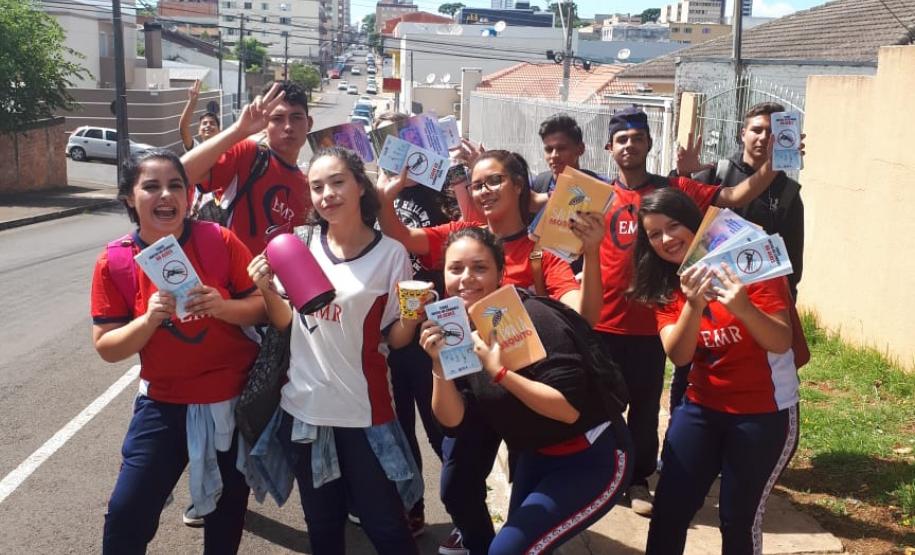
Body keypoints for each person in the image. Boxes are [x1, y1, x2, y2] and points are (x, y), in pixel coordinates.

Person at [377, 149, 605, 555]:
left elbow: (579, 317)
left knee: (528, 505)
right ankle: (482, 541)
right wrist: (384, 197)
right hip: (474, 385)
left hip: (525, 385)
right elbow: (402, 235)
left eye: (494, 180)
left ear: (519, 185)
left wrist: (591, 254)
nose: (484, 191)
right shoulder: (461, 238)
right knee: (457, 487)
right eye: (477, 183)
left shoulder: (541, 251)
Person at [596, 107, 799, 516]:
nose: (630, 145)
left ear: (650, 144)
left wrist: (773, 167)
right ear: (609, 148)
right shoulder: (596, 192)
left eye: (637, 137)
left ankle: (637, 479)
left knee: (647, 403)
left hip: (653, 324)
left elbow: (736, 197)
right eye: (622, 138)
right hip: (603, 322)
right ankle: (601, 477)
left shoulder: (678, 189)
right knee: (600, 405)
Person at [247, 147, 420, 555]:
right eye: (317, 187)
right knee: (322, 528)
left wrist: (414, 311)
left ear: (360, 185)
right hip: (304, 410)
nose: (328, 194)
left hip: (365, 413)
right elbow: (288, 321)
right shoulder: (298, 245)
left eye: (338, 181)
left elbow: (396, 339)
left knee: (386, 526)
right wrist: (264, 289)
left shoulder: (391, 254)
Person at [91, 150, 266, 553]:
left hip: (231, 401)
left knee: (226, 516)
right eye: (151, 186)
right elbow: (107, 347)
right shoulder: (115, 260)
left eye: (176, 185)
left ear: (189, 196)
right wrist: (147, 321)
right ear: (129, 199)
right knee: (127, 512)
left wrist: (223, 307)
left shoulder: (218, 239)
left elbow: (261, 307)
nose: (165, 195)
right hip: (163, 404)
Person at [419, 227, 632, 554]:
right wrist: (438, 366)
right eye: (455, 268)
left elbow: (567, 409)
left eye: (480, 268)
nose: (467, 278)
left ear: (500, 274)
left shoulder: (533, 316)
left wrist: (500, 373)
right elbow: (453, 421)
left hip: (593, 456)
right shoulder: (456, 332)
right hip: (537, 455)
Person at [629, 188, 799, 554]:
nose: (666, 239)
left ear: (695, 224)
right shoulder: (663, 282)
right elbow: (679, 354)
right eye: (654, 234)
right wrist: (692, 304)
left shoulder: (748, 264)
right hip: (702, 406)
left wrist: (743, 308)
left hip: (763, 413)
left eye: (674, 226)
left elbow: (780, 340)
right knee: (670, 510)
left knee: (738, 520)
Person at [370, 111, 459, 536]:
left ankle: (464, 508)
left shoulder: (443, 194)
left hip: (431, 325)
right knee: (397, 426)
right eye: (387, 141)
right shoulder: (369, 195)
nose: (398, 149)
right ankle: (412, 505)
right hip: (385, 328)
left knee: (444, 426)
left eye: (405, 139)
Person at [181, 81, 314, 256]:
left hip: (273, 282)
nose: (288, 127)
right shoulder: (248, 153)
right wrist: (239, 130)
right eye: (277, 119)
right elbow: (182, 174)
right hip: (227, 279)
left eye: (296, 117)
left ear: (309, 123)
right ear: (265, 124)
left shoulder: (309, 189)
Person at [689, 102, 805, 300]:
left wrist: (787, 301)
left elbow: (792, 257)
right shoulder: (715, 174)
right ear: (743, 134)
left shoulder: (788, 191)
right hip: (708, 291)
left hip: (758, 298)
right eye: (756, 130)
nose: (763, 137)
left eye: (771, 132)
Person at [531, 114, 601, 195]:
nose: (554, 155)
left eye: (561, 148)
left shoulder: (601, 189)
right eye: (549, 150)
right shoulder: (536, 186)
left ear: (580, 149)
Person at [178, 79, 220, 152]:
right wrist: (192, 101)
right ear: (199, 131)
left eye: (212, 123)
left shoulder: (226, 151)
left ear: (219, 130)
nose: (208, 125)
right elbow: (183, 128)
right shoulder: (195, 149)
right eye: (204, 123)